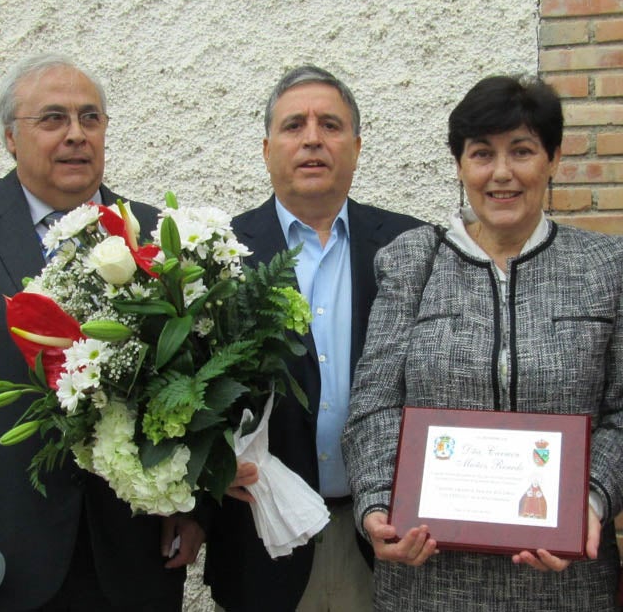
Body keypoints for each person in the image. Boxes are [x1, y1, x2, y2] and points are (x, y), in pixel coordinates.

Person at [342, 75, 623, 611]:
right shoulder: (412, 261)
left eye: (522, 150)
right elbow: (374, 404)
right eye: (481, 153)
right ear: (459, 165)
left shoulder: (606, 268)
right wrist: (378, 505)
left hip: (564, 584)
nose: (501, 173)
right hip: (429, 581)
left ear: (553, 159)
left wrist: (589, 501)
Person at [195, 65, 426, 611]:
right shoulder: (216, 255)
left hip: (383, 543)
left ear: (357, 147)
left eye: (331, 125)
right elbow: (186, 398)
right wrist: (210, 468)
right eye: (294, 125)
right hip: (260, 541)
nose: (313, 139)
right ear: (267, 149)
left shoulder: (413, 244)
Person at [0, 53, 200, 611]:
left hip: (136, 553)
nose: (76, 134)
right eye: (53, 118)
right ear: (10, 138)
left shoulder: (157, 235)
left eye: (90, 118)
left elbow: (197, 383)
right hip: (6, 547)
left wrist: (193, 505)